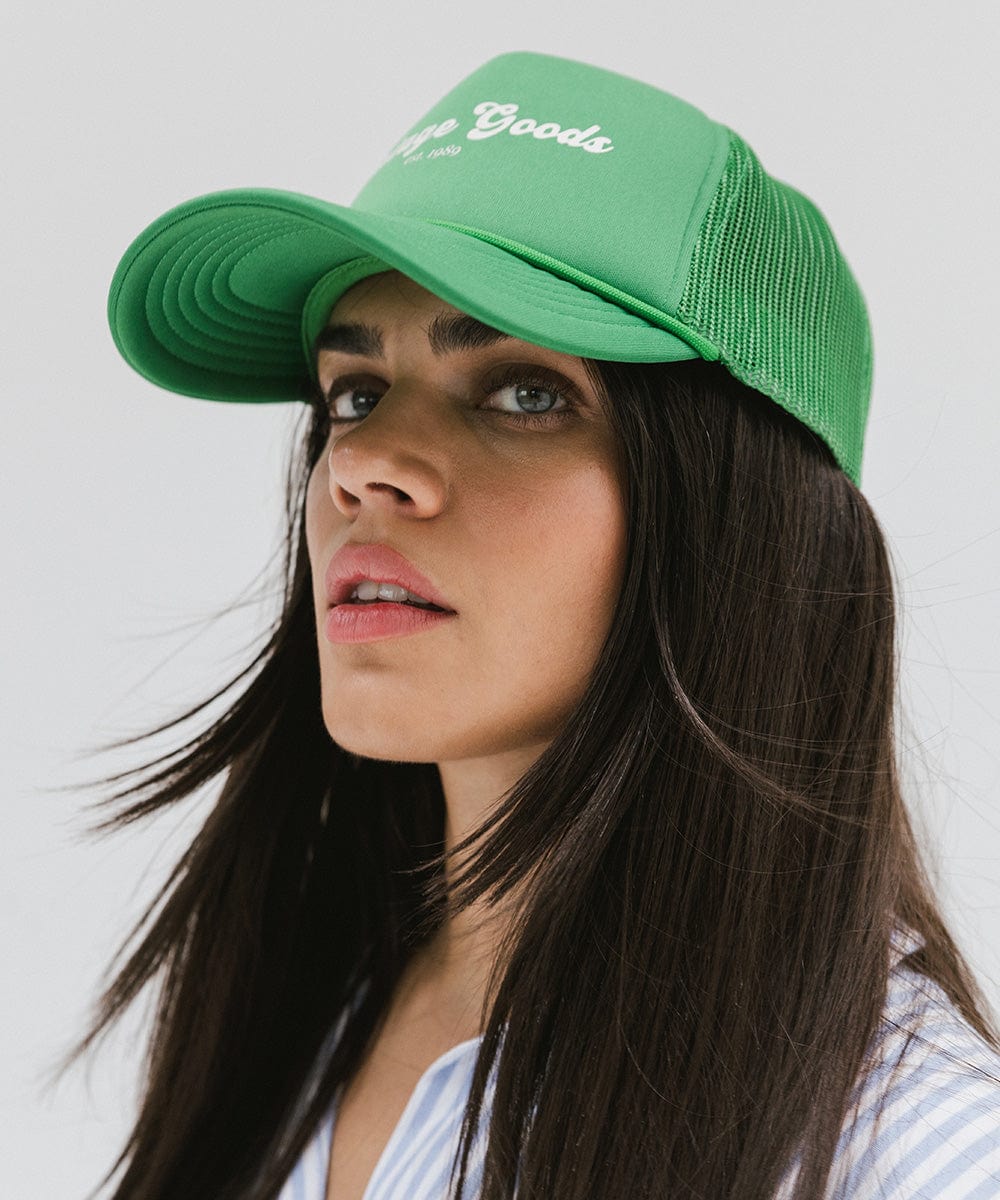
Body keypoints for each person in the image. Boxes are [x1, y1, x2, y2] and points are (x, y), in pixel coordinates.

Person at [69, 51, 999, 1199]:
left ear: (745, 522)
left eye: (524, 394)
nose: (365, 466)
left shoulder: (907, 1152)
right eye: (354, 393)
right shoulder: (287, 1014)